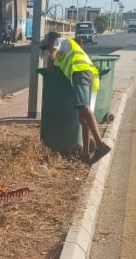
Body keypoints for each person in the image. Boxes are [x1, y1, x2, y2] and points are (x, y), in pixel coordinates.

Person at [40, 31, 112, 164]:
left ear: (51, 42)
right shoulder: (66, 51)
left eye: (48, 47)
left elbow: (52, 57)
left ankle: (100, 146)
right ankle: (85, 154)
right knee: (82, 118)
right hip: (83, 74)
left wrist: (49, 67)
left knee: (84, 109)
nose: (48, 49)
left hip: (80, 73)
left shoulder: (60, 41)